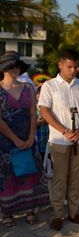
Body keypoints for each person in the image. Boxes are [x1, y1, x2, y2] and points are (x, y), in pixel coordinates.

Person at [39, 50, 79, 230]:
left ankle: (73, 212)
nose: (72, 70)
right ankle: (57, 215)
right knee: (60, 178)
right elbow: (45, 111)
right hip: (59, 140)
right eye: (69, 67)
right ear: (60, 65)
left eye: (75, 67)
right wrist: (64, 131)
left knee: (76, 177)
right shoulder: (50, 86)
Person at [0, 52, 49, 227]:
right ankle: (8, 214)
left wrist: (29, 137)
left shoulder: (28, 88)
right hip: (5, 141)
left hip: (28, 137)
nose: (15, 69)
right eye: (11, 66)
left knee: (30, 173)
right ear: (4, 69)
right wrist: (14, 139)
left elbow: (32, 114)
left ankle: (30, 210)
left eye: (18, 65)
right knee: (8, 176)